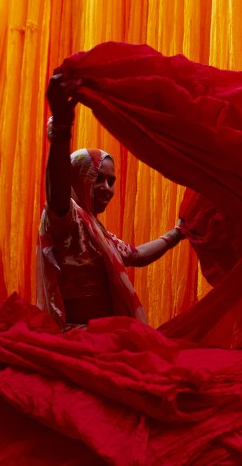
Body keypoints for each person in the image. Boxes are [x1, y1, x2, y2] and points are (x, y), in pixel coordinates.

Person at [37, 73, 184, 328]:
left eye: (111, 181)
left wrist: (178, 233)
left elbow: (136, 256)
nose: (107, 189)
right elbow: (57, 188)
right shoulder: (65, 218)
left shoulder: (97, 231)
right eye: (98, 178)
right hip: (78, 339)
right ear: (77, 179)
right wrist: (61, 128)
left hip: (107, 336)